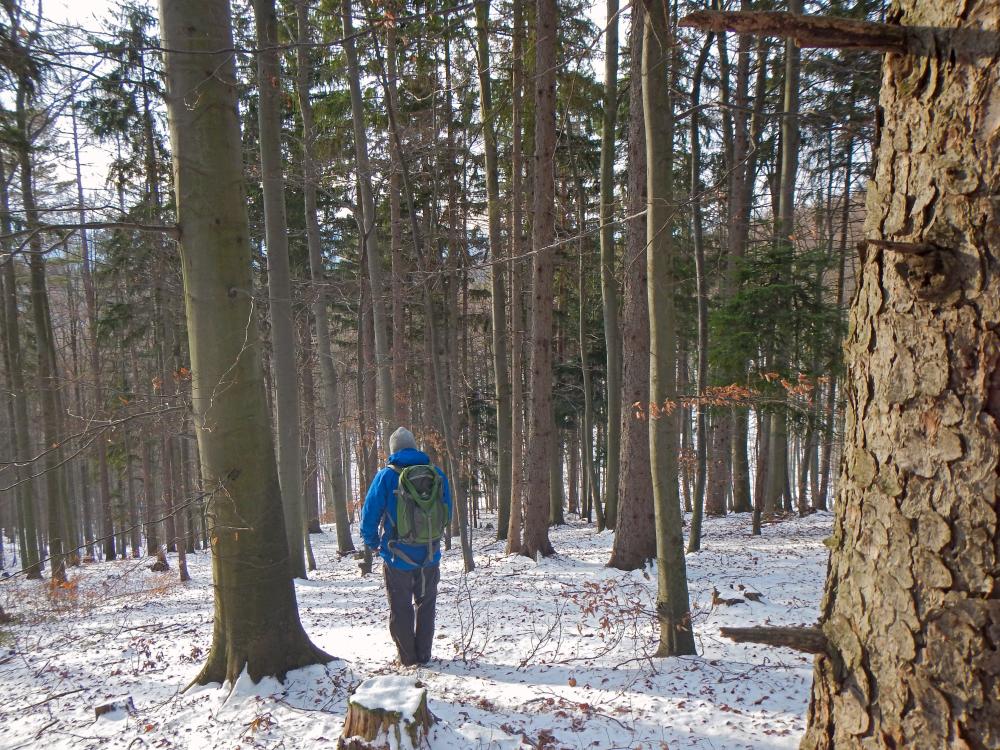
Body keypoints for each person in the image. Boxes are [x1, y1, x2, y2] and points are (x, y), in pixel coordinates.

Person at [360, 427, 452, 666]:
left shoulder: (386, 477)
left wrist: (373, 544)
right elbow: (446, 512)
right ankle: (424, 655)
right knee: (426, 605)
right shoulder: (437, 474)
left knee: (401, 608)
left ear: (394, 451)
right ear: (413, 446)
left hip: (396, 557)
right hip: (429, 556)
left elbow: (370, 515)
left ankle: (408, 658)